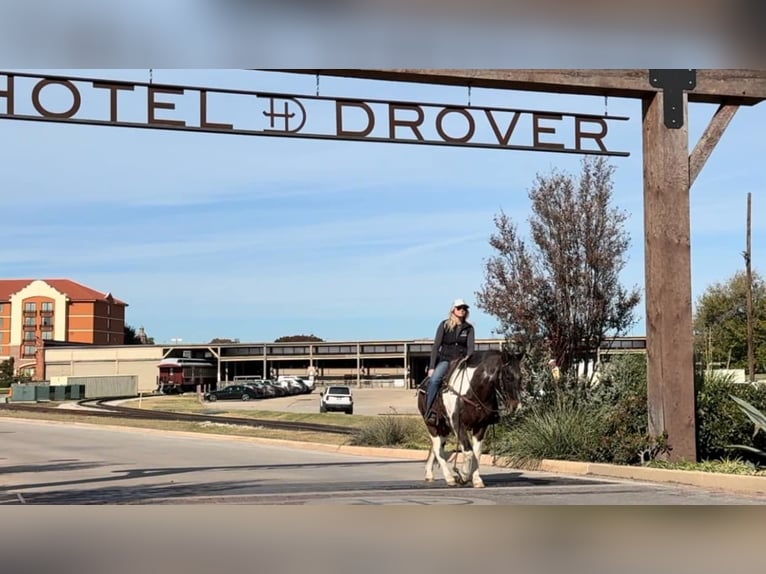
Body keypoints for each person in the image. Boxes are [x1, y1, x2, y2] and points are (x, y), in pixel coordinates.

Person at [424, 298, 475, 423]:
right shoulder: (444, 325)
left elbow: (471, 347)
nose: (462, 310)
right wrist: (431, 367)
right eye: (459, 308)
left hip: (462, 362)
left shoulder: (469, 328)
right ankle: (430, 410)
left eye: (465, 308)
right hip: (446, 360)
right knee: (435, 379)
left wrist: (468, 359)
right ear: (453, 310)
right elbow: (436, 346)